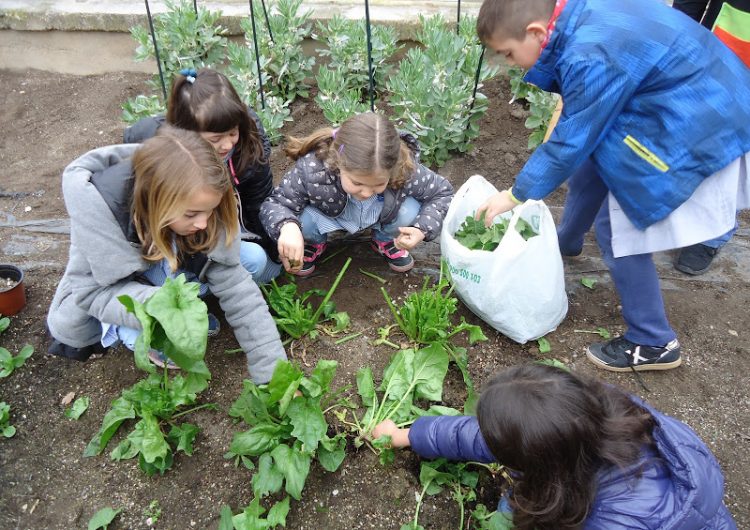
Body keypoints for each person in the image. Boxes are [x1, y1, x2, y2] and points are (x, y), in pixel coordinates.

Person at [474, 0, 750, 371]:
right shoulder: (579, 15)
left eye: (508, 53)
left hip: (700, 115)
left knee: (618, 225)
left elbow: (570, 140)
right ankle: (566, 241)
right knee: (595, 155)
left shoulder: (589, 54)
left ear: (538, 32)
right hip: (693, 88)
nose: (510, 63)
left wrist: (514, 194)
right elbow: (584, 137)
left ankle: (653, 340)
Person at [46, 126, 287, 383]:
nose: (204, 223)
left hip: (162, 262)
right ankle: (143, 333)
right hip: (109, 293)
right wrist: (166, 306)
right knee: (156, 336)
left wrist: (274, 377)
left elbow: (241, 296)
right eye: (192, 214)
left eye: (210, 211)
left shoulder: (199, 200)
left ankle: (180, 304)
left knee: (242, 261)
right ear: (157, 200)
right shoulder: (101, 208)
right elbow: (92, 293)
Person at [372, 364, 737, 529]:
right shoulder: (598, 413)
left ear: (542, 465)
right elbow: (480, 436)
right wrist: (409, 435)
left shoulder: (610, 519)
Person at [124, 68, 281, 284]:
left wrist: (274, 247)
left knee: (264, 265)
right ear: (185, 134)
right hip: (172, 241)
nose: (227, 145)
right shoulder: (155, 154)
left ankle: (206, 282)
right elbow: (138, 219)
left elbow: (259, 200)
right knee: (170, 284)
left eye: (232, 133)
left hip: (218, 232)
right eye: (215, 139)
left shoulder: (249, 144)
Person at [260, 112, 454, 276]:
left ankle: (385, 239)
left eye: (378, 184)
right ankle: (313, 242)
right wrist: (287, 228)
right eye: (357, 183)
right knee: (299, 221)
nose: (366, 192)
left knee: (409, 209)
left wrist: (422, 229)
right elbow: (276, 204)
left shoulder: (403, 167)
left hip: (380, 215)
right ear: (338, 162)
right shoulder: (314, 168)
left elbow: (442, 193)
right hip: (332, 215)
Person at [671, 0, 750, 275]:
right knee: (700, 131)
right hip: (723, 43)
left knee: (738, 154)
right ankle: (677, 207)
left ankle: (713, 231)